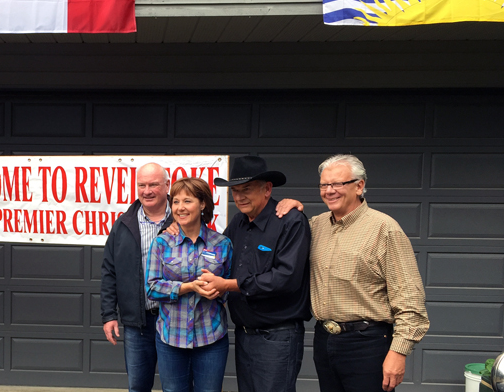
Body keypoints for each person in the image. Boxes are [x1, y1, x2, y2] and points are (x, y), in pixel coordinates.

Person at [276, 154, 429, 392]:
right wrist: (291, 206)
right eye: (324, 185)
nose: (329, 191)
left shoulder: (384, 229)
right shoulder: (315, 226)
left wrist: (399, 352)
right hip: (324, 340)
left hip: (367, 344)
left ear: (359, 186)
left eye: (338, 184)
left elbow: (410, 299)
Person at [193, 155, 311, 392]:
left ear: (267, 189)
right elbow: (214, 251)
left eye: (246, 189)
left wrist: (228, 285)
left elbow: (285, 279)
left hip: (277, 337)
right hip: (245, 335)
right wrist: (178, 224)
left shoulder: (291, 221)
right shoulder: (238, 222)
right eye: (234, 191)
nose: (239, 197)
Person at [145, 177, 232, 392]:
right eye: (175, 201)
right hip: (171, 338)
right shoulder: (162, 243)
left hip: (211, 337)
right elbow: (152, 287)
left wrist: (218, 290)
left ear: (202, 204)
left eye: (187, 201)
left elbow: (229, 287)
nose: (180, 207)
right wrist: (189, 287)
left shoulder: (222, 244)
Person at [100, 162, 173, 392]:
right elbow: (109, 271)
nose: (147, 190)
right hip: (137, 324)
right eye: (142, 185)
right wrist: (109, 315)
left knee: (176, 388)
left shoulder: (184, 220)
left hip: (175, 320)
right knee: (138, 388)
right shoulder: (123, 224)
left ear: (167, 185)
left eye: (153, 184)